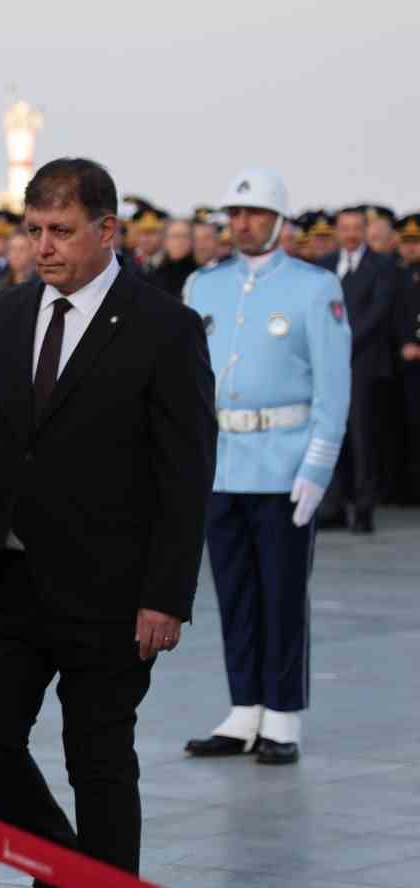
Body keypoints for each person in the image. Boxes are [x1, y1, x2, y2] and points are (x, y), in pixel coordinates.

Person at [0, 158, 215, 888]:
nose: (43, 248)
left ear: (106, 231)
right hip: (5, 581)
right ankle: (59, 872)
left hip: (112, 592)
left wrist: (165, 595)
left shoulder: (164, 326)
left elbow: (184, 471)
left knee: (100, 761)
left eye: (61, 232)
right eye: (34, 231)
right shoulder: (5, 311)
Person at [182, 170, 351, 766]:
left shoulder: (313, 287)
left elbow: (334, 388)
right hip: (222, 465)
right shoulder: (204, 286)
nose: (242, 223)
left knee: (282, 594)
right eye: (235, 214)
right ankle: (244, 708)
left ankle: (282, 715)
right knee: (234, 593)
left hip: (284, 465)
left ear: (279, 220)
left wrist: (317, 469)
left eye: (253, 213)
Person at [315, 206, 395, 532]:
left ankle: (363, 510)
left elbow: (378, 312)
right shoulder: (322, 268)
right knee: (328, 435)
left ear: (364, 230)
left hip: (362, 365)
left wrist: (341, 340)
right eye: (344, 228)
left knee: (362, 440)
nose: (350, 234)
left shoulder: (382, 266)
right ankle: (331, 508)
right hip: (326, 366)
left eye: (356, 228)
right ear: (337, 230)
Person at [395, 214, 420, 501]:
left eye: (416, 242)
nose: (411, 248)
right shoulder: (395, 272)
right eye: (407, 242)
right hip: (402, 361)